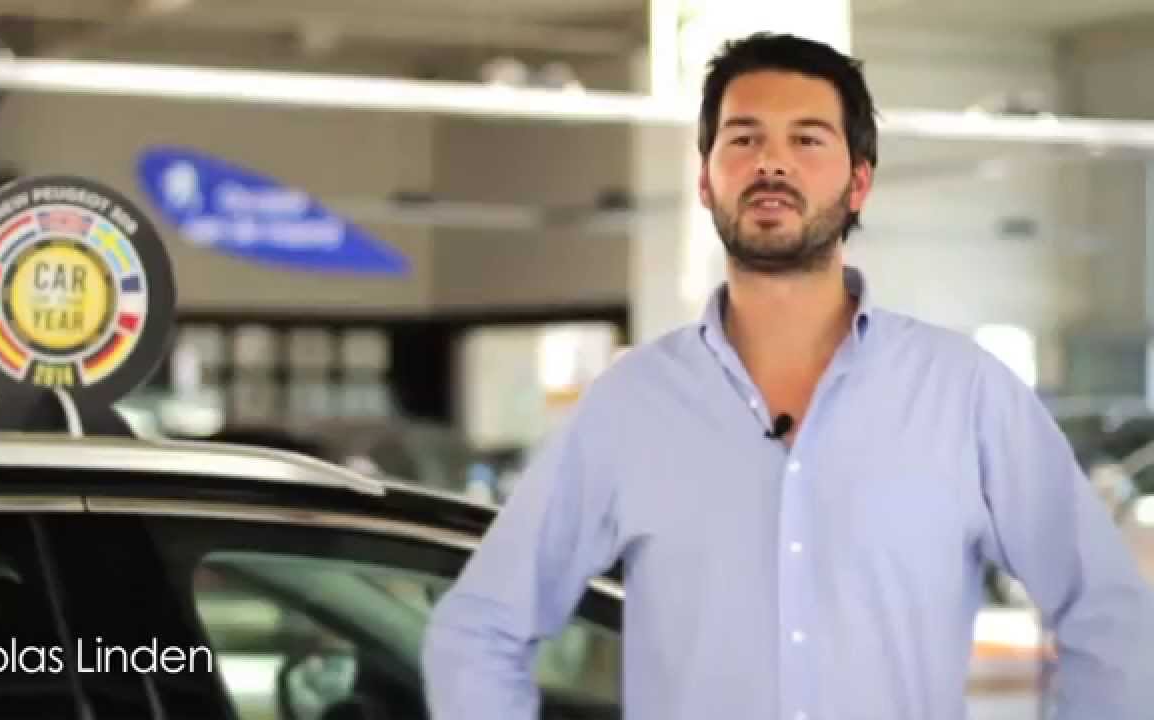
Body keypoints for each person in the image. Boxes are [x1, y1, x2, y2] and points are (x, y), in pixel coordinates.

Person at [421, 32, 1154, 719]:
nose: (771, 163)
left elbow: (1111, 619)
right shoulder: (630, 406)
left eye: (807, 139)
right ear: (705, 180)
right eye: (743, 139)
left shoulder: (965, 395)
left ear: (859, 182)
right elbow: (479, 631)